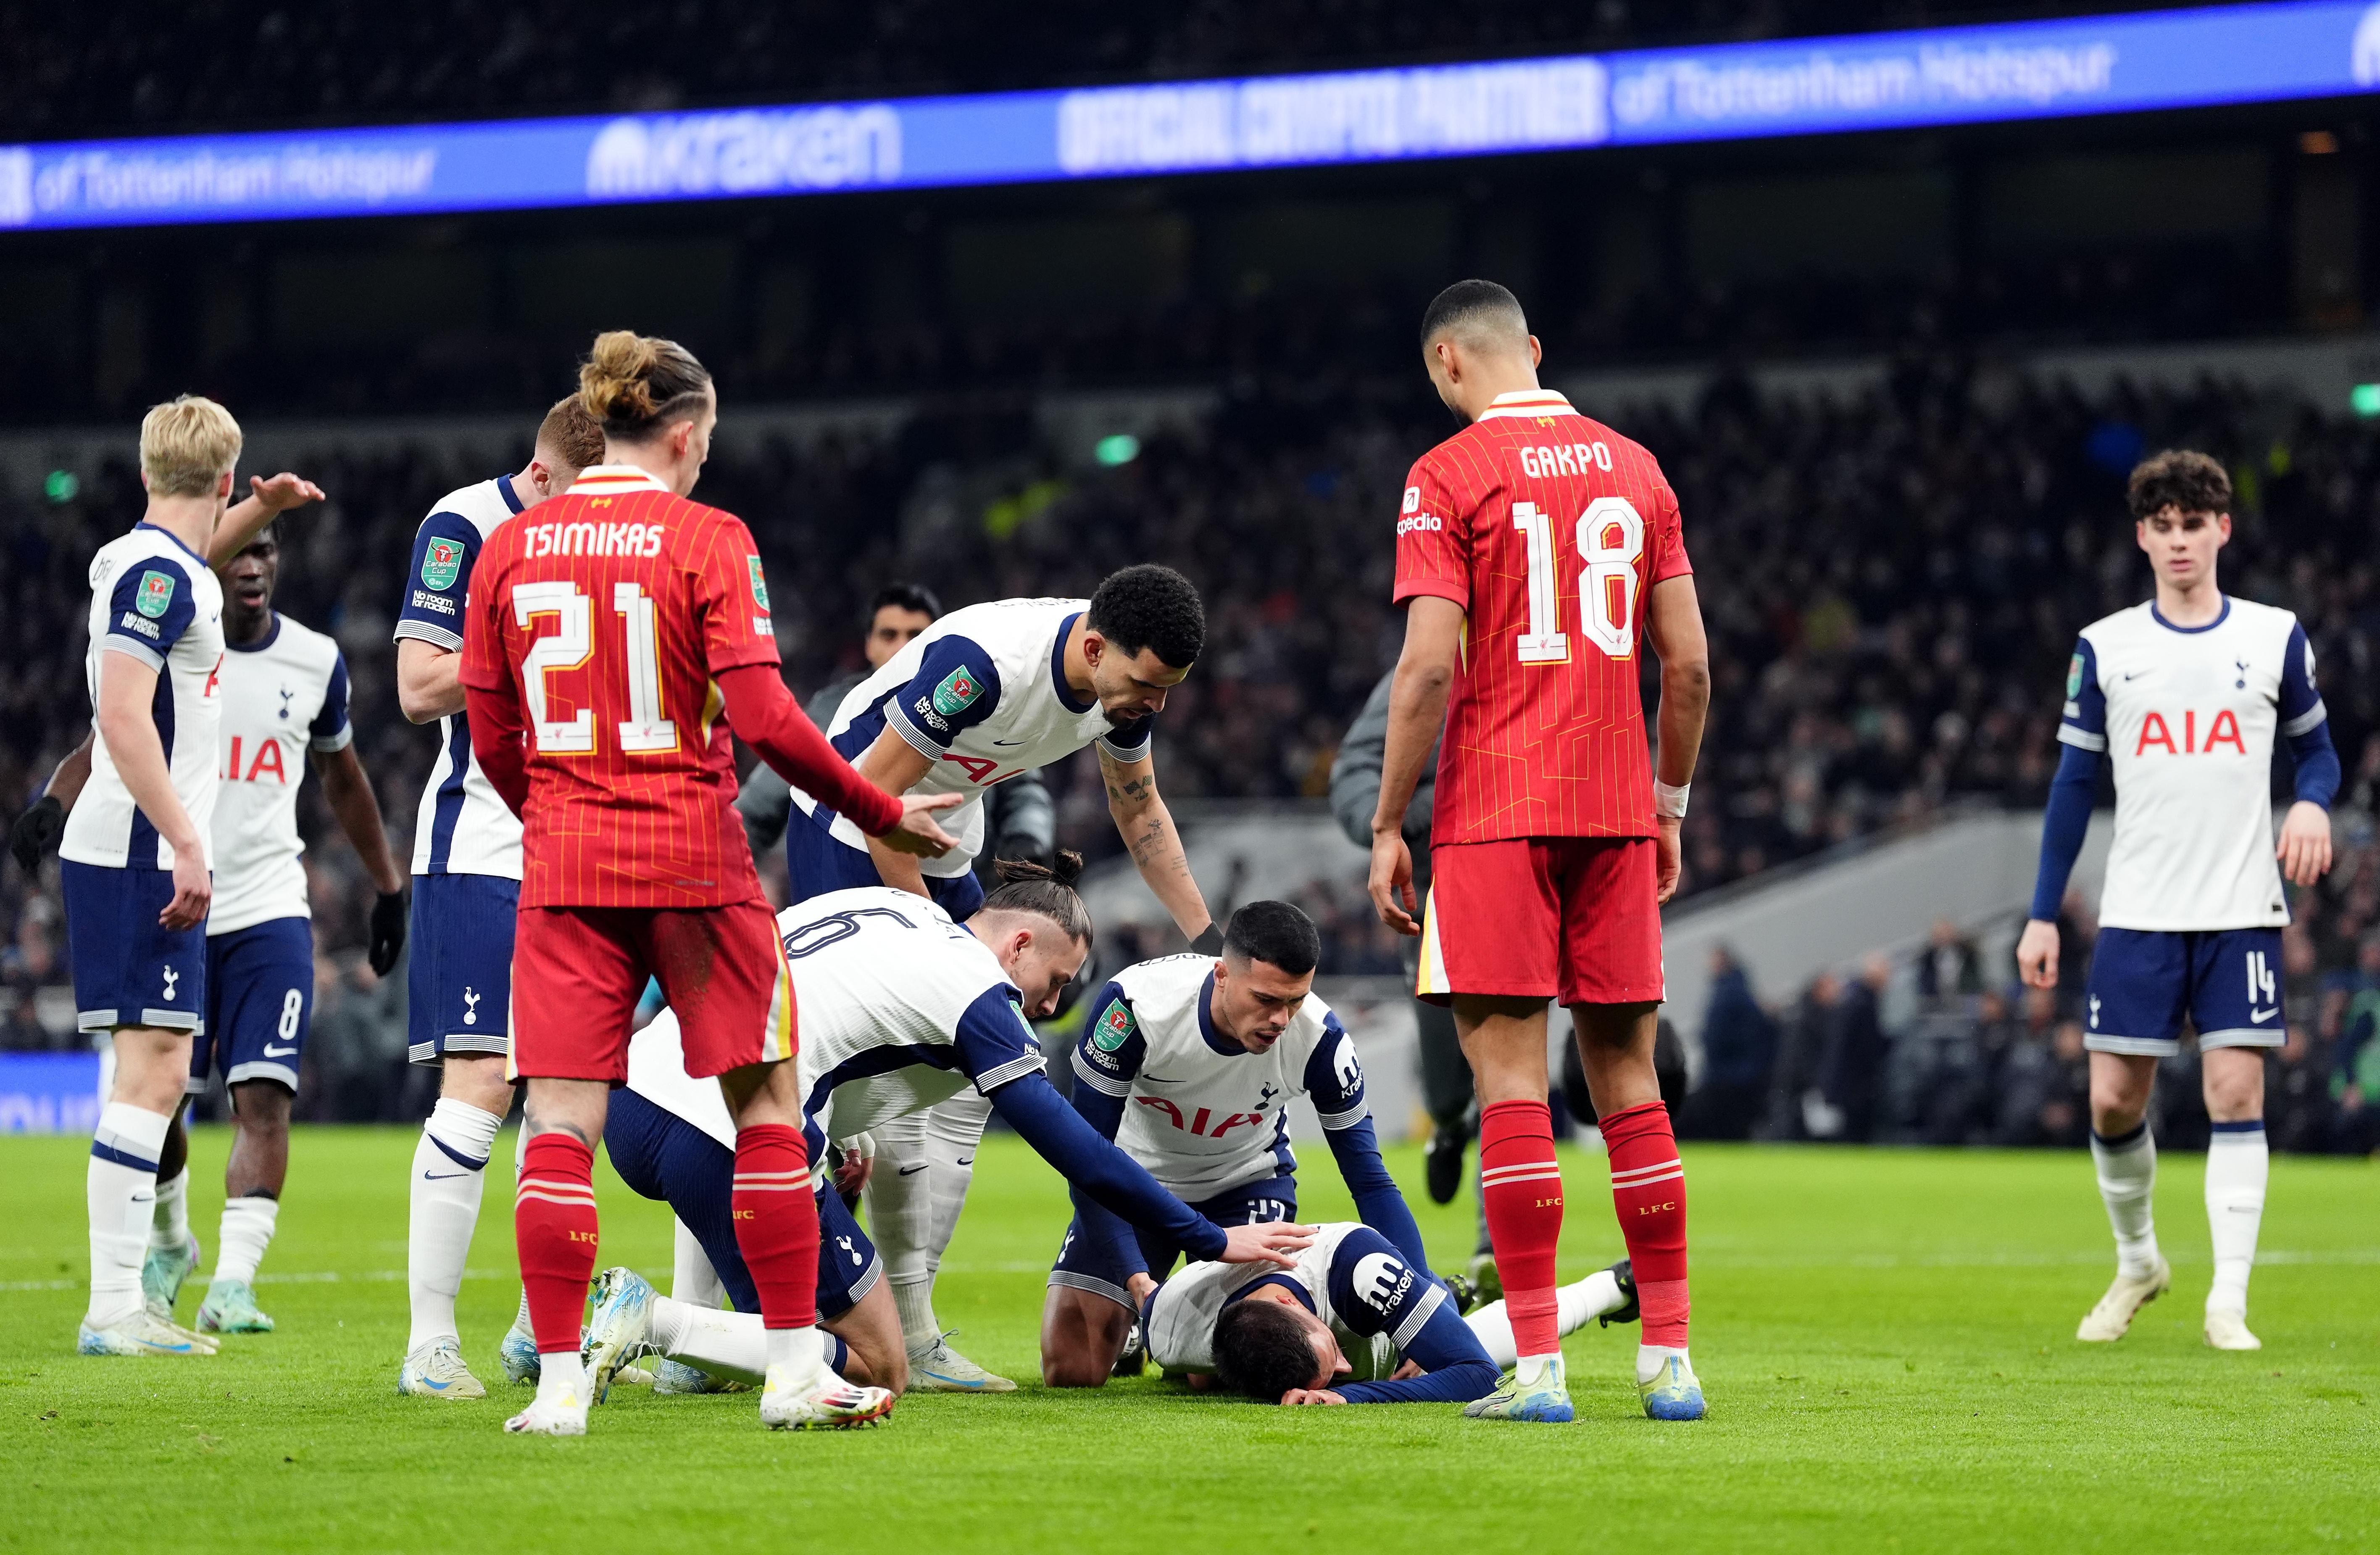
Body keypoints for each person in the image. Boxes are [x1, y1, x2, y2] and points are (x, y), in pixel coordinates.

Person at [458, 329, 967, 1436]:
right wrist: (880, 807)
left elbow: (493, 732)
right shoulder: (711, 537)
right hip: (695, 859)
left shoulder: (513, 547)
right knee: (766, 1106)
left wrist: (557, 813)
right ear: (686, 434)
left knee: (557, 1125)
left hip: (566, 865)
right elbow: (769, 718)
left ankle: (559, 1387)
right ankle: (792, 1373)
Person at [1364, 279, 1711, 1423]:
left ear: (1446, 364)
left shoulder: (1446, 474)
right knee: (1630, 1084)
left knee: (1510, 1083)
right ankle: (1669, 1361)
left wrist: (1388, 821)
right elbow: (1690, 666)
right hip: (1613, 810)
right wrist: (1667, 806)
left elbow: (1426, 666)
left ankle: (1542, 1372)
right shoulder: (1639, 468)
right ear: (1535, 349)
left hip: (1494, 810)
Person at [576, 865, 1318, 1399]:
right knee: (877, 1362)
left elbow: (806, 1001)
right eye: (1056, 981)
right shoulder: (979, 993)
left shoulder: (893, 907)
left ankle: (569, 1339)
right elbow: (1076, 1150)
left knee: (770, 1324)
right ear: (1019, 945)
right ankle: (653, 1319)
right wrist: (1208, 1237)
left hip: (641, 1091)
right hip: (728, 1135)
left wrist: (831, 1131)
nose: (1049, 1005)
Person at [787, 568, 1220, 1390]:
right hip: (851, 819)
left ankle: (913, 1330)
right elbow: (877, 796)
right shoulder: (984, 665)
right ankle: (759, 1309)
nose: (1156, 705)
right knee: (870, 1078)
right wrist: (935, 953)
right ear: (1095, 649)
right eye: (1147, 684)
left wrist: (1209, 941)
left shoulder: (1119, 691)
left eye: (1168, 688)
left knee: (968, 1080)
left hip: (945, 834)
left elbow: (1139, 810)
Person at [35, 524, 408, 1336]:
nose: (252, 565)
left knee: (265, 1097)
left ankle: (233, 1285)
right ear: (213, 559)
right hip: (176, 900)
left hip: (269, 909)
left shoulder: (315, 660)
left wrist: (388, 886)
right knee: (159, 1099)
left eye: (266, 551)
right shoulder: (180, 646)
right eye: (239, 550)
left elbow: (344, 780)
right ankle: (172, 1237)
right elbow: (105, 737)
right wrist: (53, 804)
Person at [2018, 450, 2338, 1353]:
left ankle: (2227, 1302)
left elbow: (2318, 751)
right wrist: (2042, 911)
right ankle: (2139, 1263)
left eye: (2193, 523)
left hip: (2240, 907)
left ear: (2221, 529)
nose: (2178, 541)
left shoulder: (2274, 636)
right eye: (2162, 526)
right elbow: (2072, 786)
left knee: (2235, 1089)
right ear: (2141, 538)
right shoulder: (2105, 646)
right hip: (2138, 910)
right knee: (2113, 1101)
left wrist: (2312, 801)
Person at [59, 394, 321, 1356]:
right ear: (222, 475)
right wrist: (185, 839)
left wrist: (263, 509)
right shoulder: (162, 578)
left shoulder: (152, 562)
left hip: (129, 845)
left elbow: (192, 555)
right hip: (139, 846)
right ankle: (113, 1305)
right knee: (155, 1072)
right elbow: (124, 716)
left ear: (145, 474)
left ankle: (125, 1296)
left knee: (158, 1071)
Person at [388, 395, 604, 1400]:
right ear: (546, 473)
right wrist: (532, 637)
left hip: (583, 848)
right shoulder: (465, 523)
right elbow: (417, 684)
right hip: (482, 841)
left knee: (574, 1091)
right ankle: (430, 1342)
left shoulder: (605, 537)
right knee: (480, 1080)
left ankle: (535, 1324)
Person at [1039, 900, 1426, 1386]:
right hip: (1136, 1185)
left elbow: (1371, 1181)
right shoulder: (1136, 1006)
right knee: (1071, 1369)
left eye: (1295, 1000)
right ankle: (1140, 1332)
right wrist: (1137, 1278)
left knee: (1225, 1369)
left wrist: (1419, 1315)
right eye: (1266, 999)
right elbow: (1086, 1159)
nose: (1281, 1019)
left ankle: (1176, 1344)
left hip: (1246, 1186)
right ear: (1221, 975)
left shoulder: (1321, 1039)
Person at [739, 582, 1059, 880]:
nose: (903, 647)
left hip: (958, 882)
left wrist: (1026, 843)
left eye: (916, 635)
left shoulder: (975, 699)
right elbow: (760, 807)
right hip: (853, 881)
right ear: (869, 645)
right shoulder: (834, 712)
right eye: (889, 635)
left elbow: (1025, 792)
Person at [1332, 670, 1486, 1257]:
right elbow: (1355, 770)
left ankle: (1494, 1246)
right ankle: (1448, 1124)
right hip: (1437, 905)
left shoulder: (1550, 661)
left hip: (1522, 892)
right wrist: (1394, 822)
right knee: (1448, 1081)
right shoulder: (1428, 669)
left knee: (1509, 1073)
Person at [1148, 1221, 1635, 1407]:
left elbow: (1478, 1375)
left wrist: (1348, 1394)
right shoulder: (1172, 1330)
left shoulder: (1358, 1266)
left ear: (1290, 1302)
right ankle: (1447, 1298)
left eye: (1332, 1351)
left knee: (1461, 1344)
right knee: (1198, 1382)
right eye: (1335, 1374)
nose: (1343, 1367)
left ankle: (1611, 1287)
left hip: (1383, 1318)